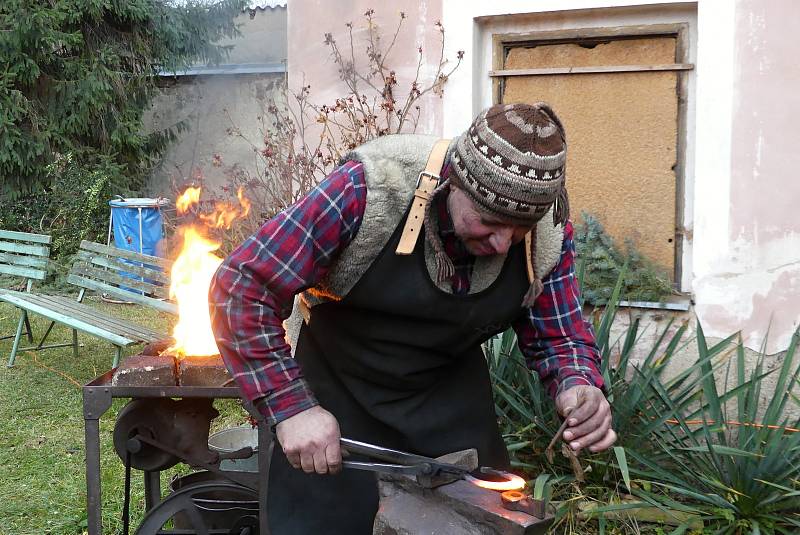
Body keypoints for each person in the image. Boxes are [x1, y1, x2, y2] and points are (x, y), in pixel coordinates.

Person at [209, 103, 616, 533]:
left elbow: (560, 335)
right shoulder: (371, 188)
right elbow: (242, 286)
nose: (502, 244)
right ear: (454, 184)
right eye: (490, 222)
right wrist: (290, 407)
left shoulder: (545, 231)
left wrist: (576, 384)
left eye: (519, 232)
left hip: (451, 413)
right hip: (335, 405)